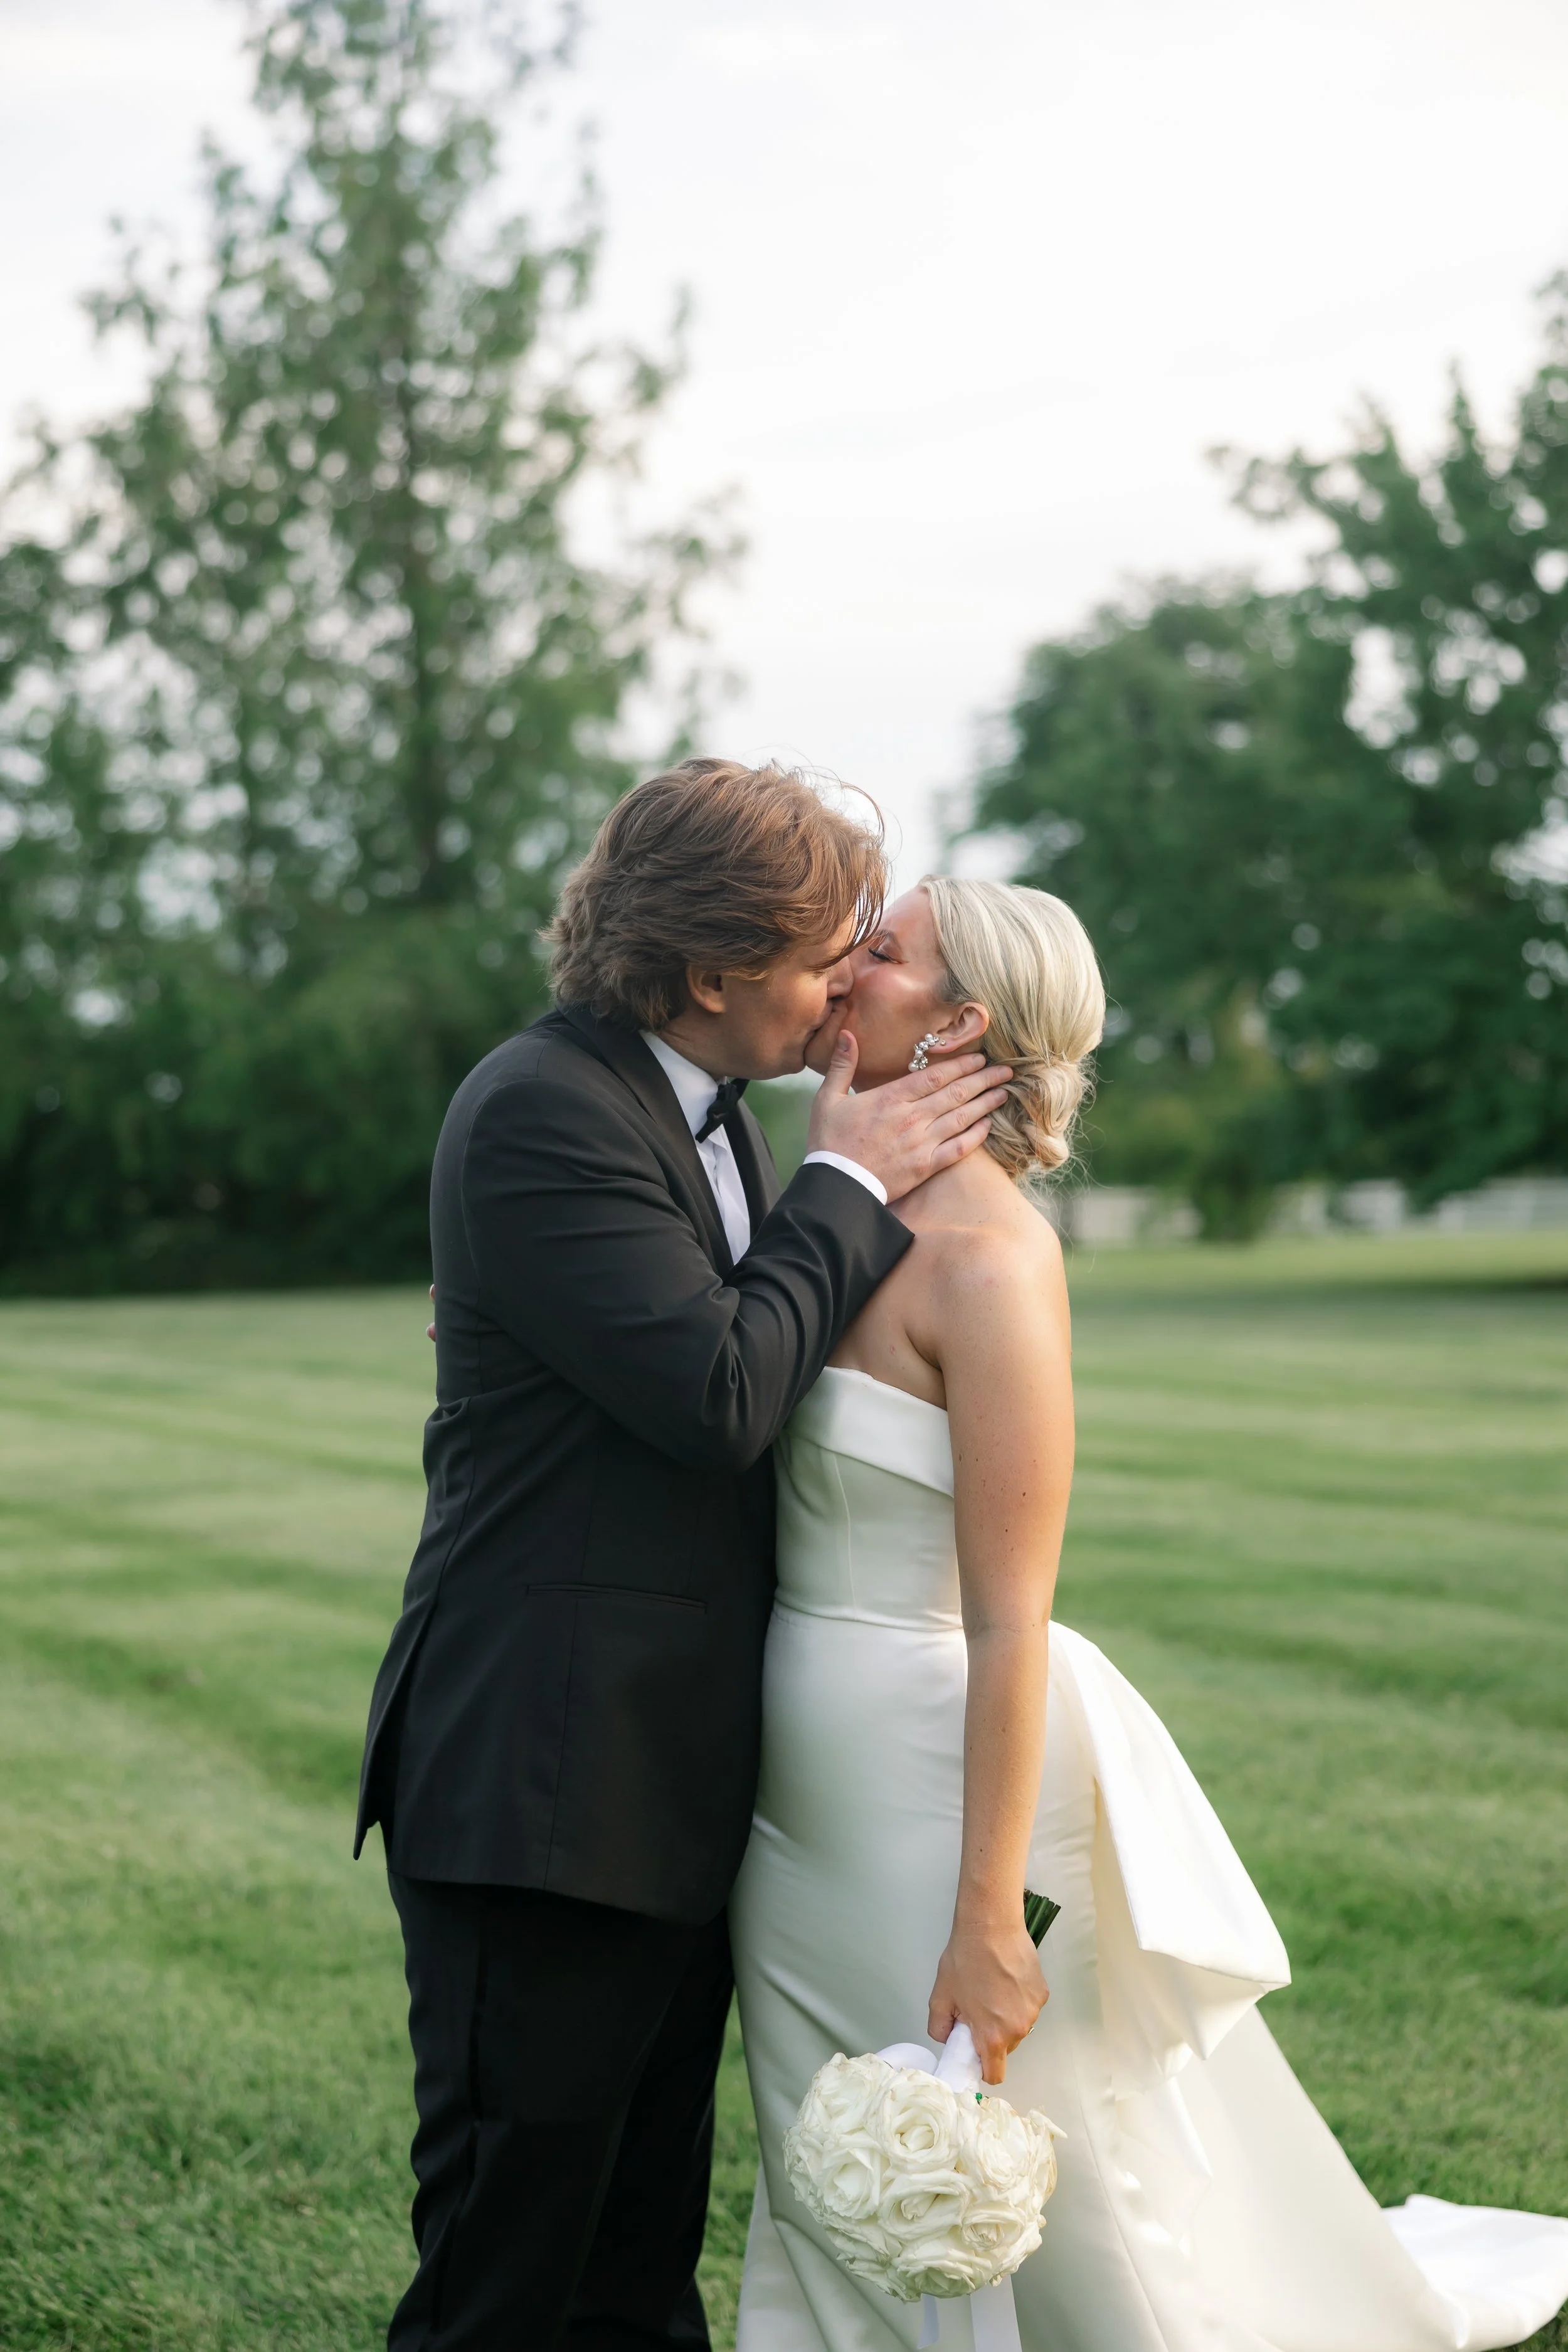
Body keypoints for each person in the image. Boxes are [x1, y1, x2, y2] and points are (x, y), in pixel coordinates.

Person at [729, 876, 1568, 2351]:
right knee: (829, 2145)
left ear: (959, 1020)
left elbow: (1007, 1619)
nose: (845, 966)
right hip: (791, 1780)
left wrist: (991, 1913)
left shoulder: (991, 1263)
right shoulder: (823, 1213)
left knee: (997, 2153)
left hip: (931, 1777)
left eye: (885, 947)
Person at [354, 761, 1015, 2352]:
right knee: (508, 2275)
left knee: (640, 2266)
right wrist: (855, 1182)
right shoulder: (543, 1108)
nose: (849, 979)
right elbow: (721, 1394)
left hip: (668, 1779)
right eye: (821, 953)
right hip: (545, 1777)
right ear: (710, 974)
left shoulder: (711, 1112)